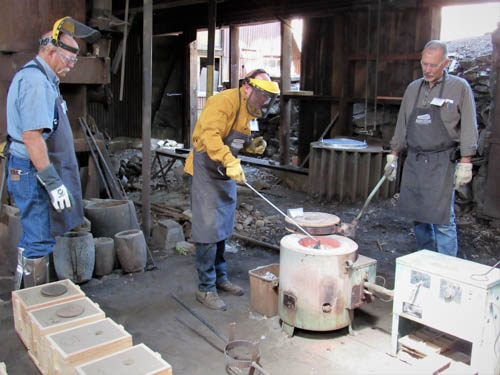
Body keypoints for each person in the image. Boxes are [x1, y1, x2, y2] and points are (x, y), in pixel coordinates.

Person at [7, 17, 100, 289]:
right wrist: (53, 182)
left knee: (34, 236)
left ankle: (23, 297)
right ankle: (36, 305)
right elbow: (32, 138)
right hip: (30, 170)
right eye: (68, 60)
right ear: (49, 52)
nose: (71, 67)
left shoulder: (44, 79)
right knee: (38, 239)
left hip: (30, 169)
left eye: (74, 61)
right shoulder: (36, 82)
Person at [184, 69, 280, 310]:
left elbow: (234, 140)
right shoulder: (223, 101)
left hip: (224, 169)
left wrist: (250, 147)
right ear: (248, 88)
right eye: (262, 95)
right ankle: (205, 288)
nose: (264, 101)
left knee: (222, 226)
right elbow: (211, 137)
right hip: (206, 169)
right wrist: (229, 161)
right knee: (207, 230)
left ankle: (220, 278)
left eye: (268, 98)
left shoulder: (247, 112)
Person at [385, 40, 478, 257]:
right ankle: (425, 257)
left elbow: (469, 126)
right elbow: (402, 123)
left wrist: (466, 160)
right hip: (416, 160)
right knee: (418, 215)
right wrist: (394, 153)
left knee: (443, 218)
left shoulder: (459, 87)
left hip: (442, 161)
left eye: (433, 65)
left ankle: (446, 267)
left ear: (445, 63)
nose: (427, 69)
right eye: (424, 64)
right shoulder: (413, 89)